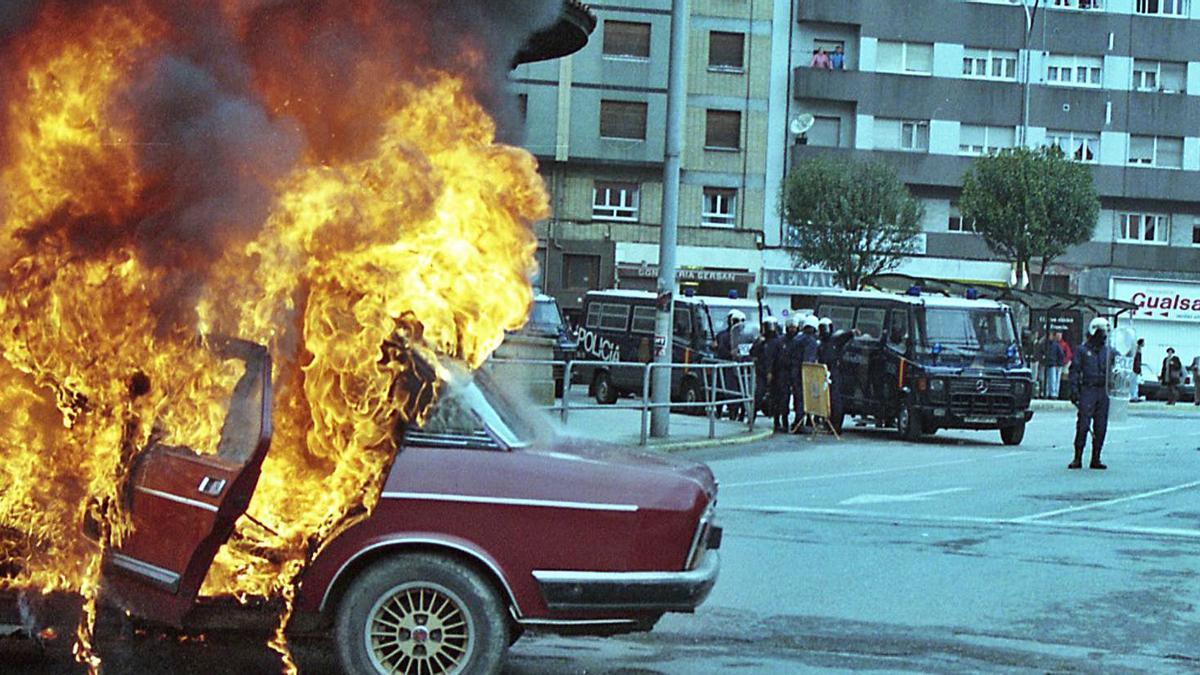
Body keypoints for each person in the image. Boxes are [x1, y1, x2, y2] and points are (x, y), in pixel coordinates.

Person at [1068, 317, 1114, 470]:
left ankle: (1096, 457)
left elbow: (1121, 366)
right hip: (1088, 390)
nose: (1104, 336)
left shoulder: (1109, 352)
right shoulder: (1082, 350)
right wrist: (1074, 391)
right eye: (1102, 332)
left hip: (1103, 391)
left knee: (1101, 426)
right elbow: (1074, 371)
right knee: (1083, 425)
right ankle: (1077, 457)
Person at [817, 317, 856, 431]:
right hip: (821, 372)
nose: (825, 331)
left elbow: (844, 337)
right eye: (822, 328)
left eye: (826, 328)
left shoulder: (834, 341)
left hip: (833, 372)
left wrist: (852, 332)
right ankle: (826, 422)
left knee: (835, 399)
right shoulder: (820, 342)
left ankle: (836, 425)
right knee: (823, 399)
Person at [1043, 331, 1065, 399]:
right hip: (1049, 363)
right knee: (1048, 379)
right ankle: (1048, 392)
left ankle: (1052, 393)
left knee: (1052, 379)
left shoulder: (1054, 345)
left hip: (1052, 363)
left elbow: (1061, 355)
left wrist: (1059, 363)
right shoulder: (1049, 344)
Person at [1130, 338, 1144, 402]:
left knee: (1135, 383)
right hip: (1134, 369)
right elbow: (1137, 362)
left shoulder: (1138, 350)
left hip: (1135, 369)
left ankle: (1135, 396)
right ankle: (1133, 396)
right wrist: (1138, 369)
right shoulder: (1137, 351)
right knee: (1133, 383)